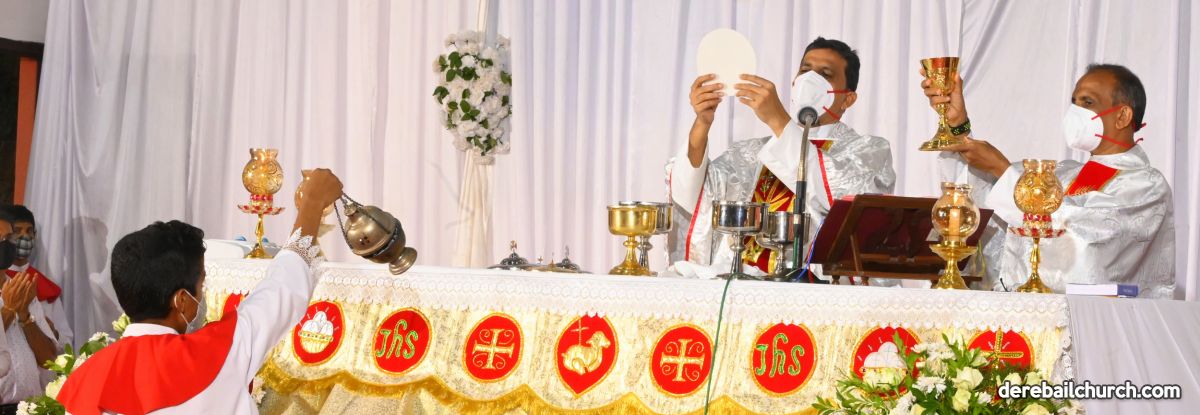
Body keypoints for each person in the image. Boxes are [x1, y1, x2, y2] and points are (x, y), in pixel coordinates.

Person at [57, 169, 343, 414]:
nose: (202, 293)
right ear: (182, 300)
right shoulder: (215, 352)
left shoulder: (85, 379)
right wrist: (312, 202)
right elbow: (283, 288)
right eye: (201, 285)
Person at [925, 64, 1175, 298]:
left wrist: (1001, 168)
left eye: (1088, 102)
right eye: (1074, 102)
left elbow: (1088, 248)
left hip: (1090, 322)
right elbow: (979, 196)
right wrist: (957, 125)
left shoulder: (1146, 186)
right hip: (1021, 312)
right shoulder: (1063, 173)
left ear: (1122, 116)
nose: (1075, 112)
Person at [667, 37, 896, 280]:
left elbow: (843, 203)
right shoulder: (750, 153)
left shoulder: (868, 151)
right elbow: (692, 197)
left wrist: (777, 119)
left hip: (815, 286)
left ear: (848, 99)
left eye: (825, 74)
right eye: (805, 70)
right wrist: (702, 122)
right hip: (740, 283)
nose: (810, 80)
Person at [0, 208, 59, 415]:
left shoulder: (23, 289)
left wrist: (25, 316)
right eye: (0, 239)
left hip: (31, 407)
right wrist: (9, 309)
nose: (7, 244)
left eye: (9, 238)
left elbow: (49, 359)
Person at [2, 205, 72, 349]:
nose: (25, 237)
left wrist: (53, 332)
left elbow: (66, 343)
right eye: (17, 231)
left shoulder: (45, 287)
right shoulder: (2, 279)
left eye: (29, 231)